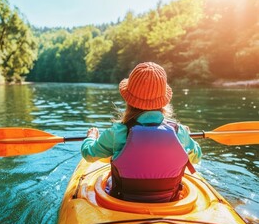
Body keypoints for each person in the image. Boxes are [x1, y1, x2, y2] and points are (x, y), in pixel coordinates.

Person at [81, 62, 202, 203]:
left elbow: (89, 154)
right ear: (163, 101)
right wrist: (186, 137)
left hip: (122, 201)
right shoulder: (178, 131)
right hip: (169, 201)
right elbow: (197, 156)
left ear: (128, 100)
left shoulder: (118, 132)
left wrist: (91, 137)